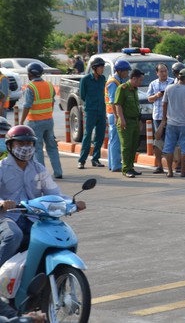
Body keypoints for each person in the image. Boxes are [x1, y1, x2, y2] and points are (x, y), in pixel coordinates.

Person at [0, 125, 86, 268]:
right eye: (20, 143)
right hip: (6, 217)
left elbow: (54, 193)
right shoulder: (2, 168)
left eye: (29, 143)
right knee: (13, 235)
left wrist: (72, 203)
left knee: (57, 235)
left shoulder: (38, 168)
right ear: (9, 145)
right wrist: (3, 202)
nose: (25, 147)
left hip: (34, 217)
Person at [19, 63, 62, 180]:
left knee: (37, 148)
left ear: (30, 74)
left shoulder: (30, 87)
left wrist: (21, 121)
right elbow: (52, 102)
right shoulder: (49, 85)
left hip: (35, 121)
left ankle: (42, 174)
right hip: (48, 120)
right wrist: (48, 114)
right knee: (52, 147)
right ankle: (58, 172)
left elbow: (27, 106)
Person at [158, 69, 185, 178]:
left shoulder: (169, 88)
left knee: (169, 147)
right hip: (184, 124)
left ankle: (170, 172)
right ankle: (183, 172)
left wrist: (164, 119)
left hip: (171, 123)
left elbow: (164, 105)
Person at [114, 69, 144, 178]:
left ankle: (131, 167)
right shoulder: (122, 88)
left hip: (135, 121)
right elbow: (118, 105)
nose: (141, 83)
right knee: (126, 146)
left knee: (133, 146)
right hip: (126, 121)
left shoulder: (135, 89)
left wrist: (139, 121)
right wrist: (121, 119)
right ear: (134, 78)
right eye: (140, 80)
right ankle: (126, 169)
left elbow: (136, 107)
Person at [77, 57, 106, 170]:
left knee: (100, 135)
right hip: (90, 110)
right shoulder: (85, 80)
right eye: (101, 67)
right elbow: (82, 95)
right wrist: (91, 103)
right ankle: (82, 160)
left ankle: (95, 158)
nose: (102, 69)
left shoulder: (103, 79)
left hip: (101, 110)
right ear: (94, 68)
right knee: (87, 135)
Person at [146, 63, 174, 173]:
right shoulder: (153, 84)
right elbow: (149, 98)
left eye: (165, 71)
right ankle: (159, 165)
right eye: (161, 71)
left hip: (170, 116)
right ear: (157, 73)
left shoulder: (172, 82)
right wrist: (157, 95)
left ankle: (171, 166)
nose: (163, 73)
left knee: (170, 140)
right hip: (158, 116)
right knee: (158, 141)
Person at [105, 60, 131, 172]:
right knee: (116, 140)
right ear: (120, 71)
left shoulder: (118, 81)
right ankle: (115, 165)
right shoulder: (113, 82)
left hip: (112, 114)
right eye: (126, 71)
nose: (127, 74)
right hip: (113, 114)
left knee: (113, 140)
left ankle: (112, 164)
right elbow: (113, 101)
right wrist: (117, 116)